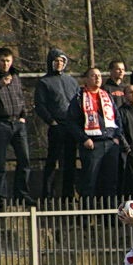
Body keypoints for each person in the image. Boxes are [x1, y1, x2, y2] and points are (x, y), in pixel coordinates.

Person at [65, 67, 123, 204]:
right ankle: (86, 220)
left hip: (110, 143)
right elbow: (71, 122)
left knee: (110, 182)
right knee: (89, 182)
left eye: (99, 75)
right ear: (86, 79)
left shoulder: (107, 95)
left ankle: (109, 218)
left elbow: (117, 118)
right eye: (93, 76)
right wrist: (83, 139)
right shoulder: (80, 97)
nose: (97, 78)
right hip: (92, 144)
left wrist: (117, 136)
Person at [34, 48, 80, 201]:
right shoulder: (43, 82)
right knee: (52, 161)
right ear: (50, 62)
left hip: (72, 127)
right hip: (56, 126)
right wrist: (51, 121)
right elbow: (40, 105)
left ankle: (68, 195)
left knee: (70, 162)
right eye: (56, 61)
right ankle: (47, 195)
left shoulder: (71, 81)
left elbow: (78, 102)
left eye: (62, 61)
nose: (59, 63)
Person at [0, 47, 33, 205]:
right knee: (0, 162)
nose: (5, 64)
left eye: (8, 60)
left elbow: (21, 97)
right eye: (2, 60)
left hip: (18, 123)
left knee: (24, 160)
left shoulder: (15, 75)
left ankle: (22, 193)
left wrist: (23, 116)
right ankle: (1, 197)